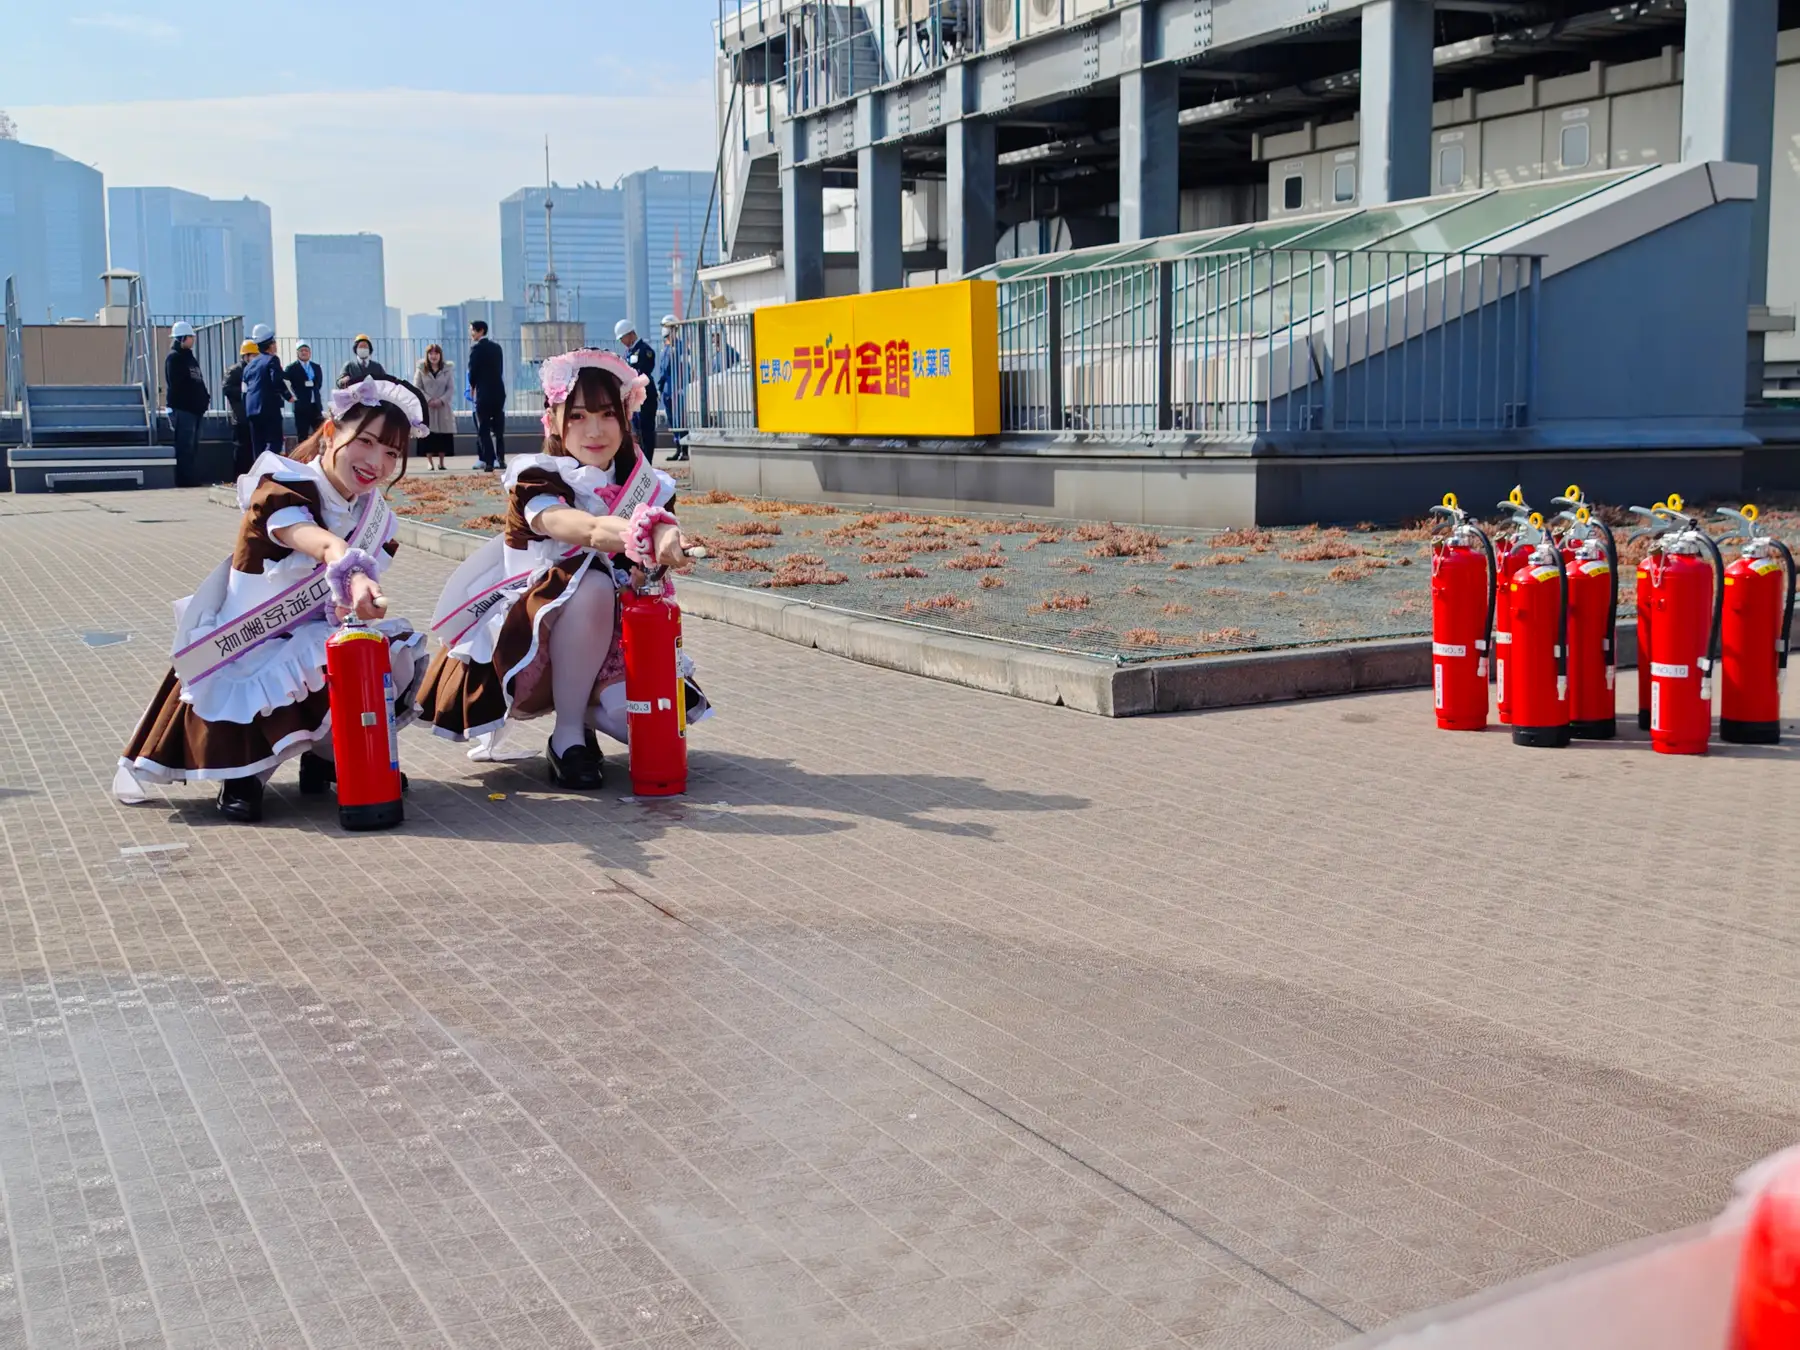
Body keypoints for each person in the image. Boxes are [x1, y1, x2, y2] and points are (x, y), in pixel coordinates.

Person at [113, 377, 430, 823]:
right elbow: (307, 537)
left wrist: (358, 605)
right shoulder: (283, 482)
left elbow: (335, 607)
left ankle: (331, 759)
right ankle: (246, 776)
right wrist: (347, 564)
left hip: (310, 636)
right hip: (248, 643)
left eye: (393, 453)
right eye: (367, 442)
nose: (377, 462)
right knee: (297, 668)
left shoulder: (373, 516)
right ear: (329, 433)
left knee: (382, 656)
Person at [414, 349, 710, 788]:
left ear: (626, 416)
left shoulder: (644, 483)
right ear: (552, 420)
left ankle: (588, 713)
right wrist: (628, 533)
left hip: (612, 643)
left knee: (649, 731)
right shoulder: (538, 476)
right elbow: (577, 527)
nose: (594, 430)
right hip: (534, 634)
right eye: (577, 416)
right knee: (589, 585)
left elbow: (661, 529)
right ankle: (568, 735)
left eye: (607, 413)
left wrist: (674, 544)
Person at [164, 322, 212, 484]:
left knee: (193, 447)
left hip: (195, 410)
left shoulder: (190, 358)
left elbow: (198, 381)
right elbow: (177, 385)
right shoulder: (174, 358)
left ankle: (191, 476)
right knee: (185, 446)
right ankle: (185, 479)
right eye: (191, 337)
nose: (193, 339)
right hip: (184, 410)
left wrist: (204, 398)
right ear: (182, 338)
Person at [614, 319, 660, 464]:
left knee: (646, 430)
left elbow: (643, 372)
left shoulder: (645, 351)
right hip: (634, 397)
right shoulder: (629, 352)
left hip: (645, 396)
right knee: (637, 430)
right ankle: (641, 461)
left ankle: (648, 461)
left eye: (623, 338)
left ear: (631, 334)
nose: (622, 341)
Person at [243, 324, 289, 459]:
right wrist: (287, 395)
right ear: (271, 344)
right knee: (275, 442)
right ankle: (266, 470)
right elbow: (276, 380)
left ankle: (258, 474)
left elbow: (244, 391)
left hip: (251, 410)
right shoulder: (272, 360)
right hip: (268, 408)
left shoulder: (249, 366)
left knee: (258, 444)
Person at [468, 320, 506, 471]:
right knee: (498, 428)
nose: (471, 334)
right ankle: (501, 459)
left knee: (483, 428)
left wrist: (472, 386)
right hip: (498, 391)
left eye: (472, 330)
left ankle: (489, 461)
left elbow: (473, 371)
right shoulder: (497, 348)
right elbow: (500, 369)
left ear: (480, 331)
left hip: (483, 393)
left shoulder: (476, 349)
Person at [414, 343, 455, 471]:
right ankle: (430, 462)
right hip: (428, 407)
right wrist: (428, 399)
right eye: (431, 353)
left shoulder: (447, 370)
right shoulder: (421, 369)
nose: (433, 356)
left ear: (440, 355)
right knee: (428, 435)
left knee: (443, 435)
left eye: (436, 353)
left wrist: (442, 400)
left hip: (443, 407)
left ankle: (442, 462)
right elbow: (417, 387)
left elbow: (450, 388)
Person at [654, 315, 689, 462]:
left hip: (678, 389)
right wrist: (660, 388)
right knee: (672, 421)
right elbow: (662, 371)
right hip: (667, 390)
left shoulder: (681, 348)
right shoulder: (665, 349)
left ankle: (685, 450)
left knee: (680, 420)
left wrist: (682, 387)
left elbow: (685, 368)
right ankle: (677, 448)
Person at [222, 339, 257, 476]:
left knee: (252, 449)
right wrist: (243, 391)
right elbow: (227, 389)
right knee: (241, 449)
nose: (255, 358)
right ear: (246, 356)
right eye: (253, 355)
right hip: (241, 417)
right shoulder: (235, 370)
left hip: (253, 415)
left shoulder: (254, 370)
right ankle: (239, 476)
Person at [285, 342, 324, 442]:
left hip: (315, 406)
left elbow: (318, 384)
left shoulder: (316, 367)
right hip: (301, 407)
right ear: (297, 353)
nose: (304, 353)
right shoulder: (292, 368)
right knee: (302, 435)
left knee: (320, 433)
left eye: (306, 350)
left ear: (310, 353)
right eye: (301, 351)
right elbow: (288, 385)